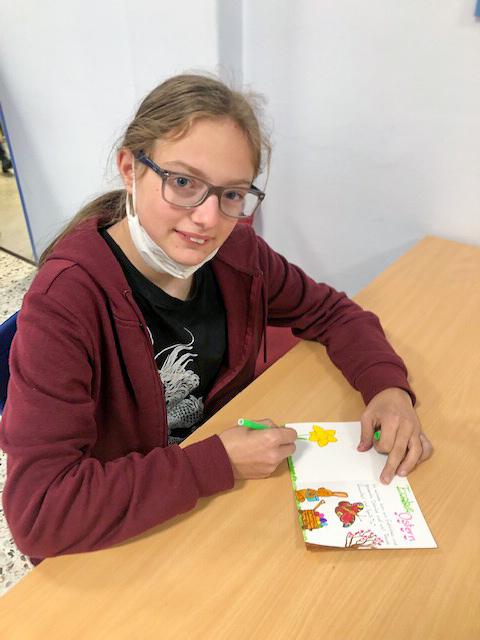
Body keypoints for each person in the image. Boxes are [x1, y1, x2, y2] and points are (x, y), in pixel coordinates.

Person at [0, 74, 432, 560]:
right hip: (124, 532)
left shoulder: (237, 254)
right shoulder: (66, 302)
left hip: (212, 504)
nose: (208, 219)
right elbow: (40, 513)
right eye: (183, 182)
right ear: (129, 168)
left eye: (231, 194)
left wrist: (388, 388)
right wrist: (219, 460)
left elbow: (331, 312)